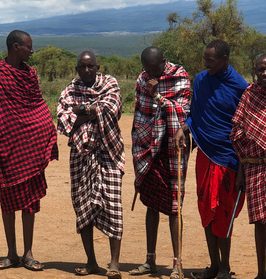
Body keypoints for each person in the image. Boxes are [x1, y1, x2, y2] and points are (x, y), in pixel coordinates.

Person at [0, 30, 58, 271]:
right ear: (16, 47)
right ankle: (12, 253)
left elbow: (37, 104)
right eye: (28, 46)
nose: (32, 51)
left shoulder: (31, 74)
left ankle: (28, 253)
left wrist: (47, 127)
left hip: (29, 147)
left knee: (29, 202)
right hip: (7, 146)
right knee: (7, 202)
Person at [173, 39, 248, 279]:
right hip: (205, 155)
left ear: (225, 60)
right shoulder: (201, 80)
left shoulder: (239, 86)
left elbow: (244, 125)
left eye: (211, 60)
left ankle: (225, 267)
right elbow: (196, 114)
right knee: (207, 209)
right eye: (205, 59)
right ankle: (214, 265)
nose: (206, 64)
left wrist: (245, 167)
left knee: (223, 212)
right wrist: (184, 127)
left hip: (229, 158)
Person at [57, 51, 125, 278]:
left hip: (109, 153)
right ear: (77, 69)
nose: (87, 71)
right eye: (82, 67)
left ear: (98, 67)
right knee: (82, 205)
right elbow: (64, 120)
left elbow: (110, 109)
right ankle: (91, 262)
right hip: (81, 156)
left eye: (91, 66)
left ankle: (114, 263)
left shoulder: (110, 84)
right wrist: (92, 111)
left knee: (113, 205)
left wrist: (82, 110)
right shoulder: (69, 90)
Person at [130, 47, 191, 279]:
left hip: (174, 147)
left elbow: (183, 110)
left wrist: (157, 96)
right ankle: (150, 260)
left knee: (175, 206)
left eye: (155, 69)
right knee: (151, 203)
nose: (151, 74)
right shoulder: (142, 79)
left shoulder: (179, 75)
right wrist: (143, 142)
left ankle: (177, 264)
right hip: (149, 147)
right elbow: (140, 113)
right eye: (147, 69)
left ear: (163, 63)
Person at [230, 53, 266, 279]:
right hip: (254, 167)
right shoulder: (249, 95)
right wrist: (241, 170)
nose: (264, 73)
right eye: (260, 69)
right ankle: (262, 272)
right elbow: (237, 133)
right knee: (261, 222)